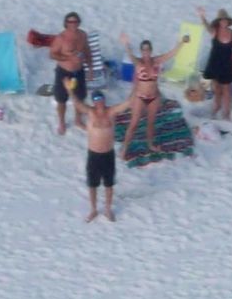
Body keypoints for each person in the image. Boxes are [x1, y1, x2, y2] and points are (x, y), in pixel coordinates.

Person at [119, 33, 189, 156]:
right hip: (140, 96)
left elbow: (171, 54)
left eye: (148, 49)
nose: (146, 51)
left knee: (151, 122)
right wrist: (126, 45)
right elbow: (131, 56)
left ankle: (150, 143)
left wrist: (181, 44)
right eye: (144, 49)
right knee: (134, 123)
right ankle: (125, 147)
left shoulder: (157, 61)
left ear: (151, 50)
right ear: (141, 51)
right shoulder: (138, 62)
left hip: (154, 96)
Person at [69, 88, 132, 222]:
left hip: (108, 154)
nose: (99, 102)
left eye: (101, 99)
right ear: (93, 102)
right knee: (93, 185)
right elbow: (78, 104)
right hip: (94, 155)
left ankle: (108, 209)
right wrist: (70, 91)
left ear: (104, 100)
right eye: (96, 100)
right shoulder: (90, 112)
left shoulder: (111, 112)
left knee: (109, 184)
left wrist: (138, 86)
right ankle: (93, 210)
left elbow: (126, 104)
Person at [49, 12, 93, 135]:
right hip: (64, 72)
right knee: (61, 99)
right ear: (66, 23)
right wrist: (66, 57)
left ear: (78, 22)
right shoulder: (61, 38)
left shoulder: (83, 35)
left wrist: (90, 68)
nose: (73, 24)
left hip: (79, 71)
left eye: (75, 21)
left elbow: (87, 51)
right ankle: (62, 122)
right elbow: (52, 54)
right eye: (70, 22)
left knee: (80, 97)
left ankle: (78, 120)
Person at [196, 6, 232, 121]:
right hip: (215, 63)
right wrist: (202, 17)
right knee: (216, 88)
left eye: (225, 19)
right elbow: (206, 27)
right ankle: (216, 107)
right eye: (221, 19)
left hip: (227, 64)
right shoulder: (215, 31)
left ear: (228, 21)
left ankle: (227, 113)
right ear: (218, 21)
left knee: (226, 90)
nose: (223, 21)